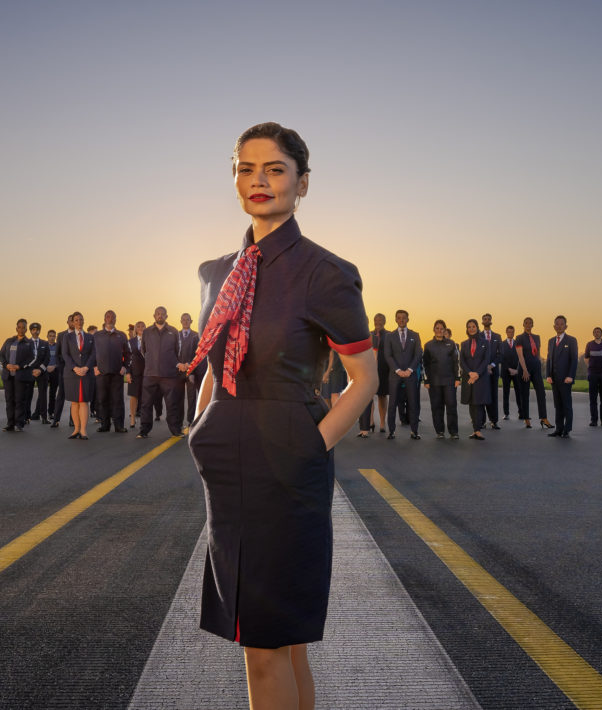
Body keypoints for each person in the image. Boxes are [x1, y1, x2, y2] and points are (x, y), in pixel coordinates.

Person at [183, 123, 377, 709]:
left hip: (286, 459)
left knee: (269, 644)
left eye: (274, 169)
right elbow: (219, 360)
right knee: (278, 642)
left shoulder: (326, 272)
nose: (258, 181)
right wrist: (202, 425)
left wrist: (308, 446)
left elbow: (364, 380)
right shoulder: (214, 272)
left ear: (303, 183)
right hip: (228, 458)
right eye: (246, 169)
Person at [137, 306, 183, 438]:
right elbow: (143, 350)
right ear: (154, 315)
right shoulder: (147, 332)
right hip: (150, 374)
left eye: (162, 314)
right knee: (146, 404)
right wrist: (152, 362)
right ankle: (144, 430)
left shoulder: (173, 331)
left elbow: (176, 351)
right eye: (158, 314)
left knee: (172, 404)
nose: (160, 316)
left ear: (166, 316)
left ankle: (175, 430)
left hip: (168, 374)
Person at [384, 309, 422, 439]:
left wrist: (410, 370)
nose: (401, 320)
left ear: (408, 319)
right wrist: (398, 370)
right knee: (392, 403)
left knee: (413, 403)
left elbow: (418, 354)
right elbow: (388, 355)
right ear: (395, 319)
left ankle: (414, 431)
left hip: (410, 375)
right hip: (395, 375)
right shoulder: (389, 336)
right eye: (399, 318)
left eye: (404, 318)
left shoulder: (415, 335)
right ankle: (391, 431)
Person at [93, 310, 131, 433]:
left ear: (115, 319)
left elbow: (128, 354)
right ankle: (105, 425)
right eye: (108, 316)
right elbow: (92, 353)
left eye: (113, 317)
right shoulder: (97, 335)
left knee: (117, 400)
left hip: (117, 373)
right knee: (102, 399)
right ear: (104, 319)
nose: (110, 319)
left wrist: (125, 367)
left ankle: (119, 425)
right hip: (101, 373)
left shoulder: (121, 335)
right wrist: (94, 366)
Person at [0, 318, 39, 432]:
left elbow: (33, 358)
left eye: (24, 327)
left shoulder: (29, 343)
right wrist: (6, 365)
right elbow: (1, 355)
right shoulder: (9, 341)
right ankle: (10, 424)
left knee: (19, 400)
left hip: (21, 376)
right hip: (8, 375)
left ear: (26, 329)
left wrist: (20, 366)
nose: (21, 329)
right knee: (9, 400)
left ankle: (19, 423)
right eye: (19, 327)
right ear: (16, 328)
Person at [423, 319, 460, 439]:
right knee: (436, 407)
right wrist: (426, 380)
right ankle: (440, 431)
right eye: (437, 328)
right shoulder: (428, 345)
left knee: (451, 406)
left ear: (445, 330)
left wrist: (457, 378)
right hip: (434, 382)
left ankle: (453, 432)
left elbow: (456, 362)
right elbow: (425, 364)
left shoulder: (451, 343)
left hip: (449, 381)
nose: (439, 330)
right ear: (434, 330)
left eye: (441, 328)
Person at [62, 311, 96, 439]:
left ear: (83, 321)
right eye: (76, 320)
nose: (79, 322)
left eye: (81, 319)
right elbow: (65, 354)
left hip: (86, 373)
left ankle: (83, 430)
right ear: (72, 322)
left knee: (84, 402)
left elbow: (94, 354)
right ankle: (76, 429)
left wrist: (86, 367)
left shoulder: (90, 337)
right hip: (72, 373)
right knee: (75, 402)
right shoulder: (67, 337)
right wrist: (75, 368)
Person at [515, 317, 553, 430]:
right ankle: (527, 419)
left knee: (541, 393)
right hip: (524, 368)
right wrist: (525, 370)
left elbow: (538, 353)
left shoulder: (537, 337)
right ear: (523, 324)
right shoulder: (519, 338)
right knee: (525, 394)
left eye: (530, 323)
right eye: (526, 323)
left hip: (536, 367)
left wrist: (540, 365)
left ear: (533, 325)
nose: (528, 325)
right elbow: (520, 355)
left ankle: (544, 418)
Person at [545, 315, 578, 438]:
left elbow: (574, 360)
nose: (559, 326)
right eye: (557, 324)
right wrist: (548, 374)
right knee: (557, 405)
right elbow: (549, 359)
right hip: (554, 379)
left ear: (566, 326)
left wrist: (571, 376)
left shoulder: (571, 340)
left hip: (566, 379)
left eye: (561, 324)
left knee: (566, 405)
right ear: (554, 326)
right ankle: (558, 428)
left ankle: (567, 429)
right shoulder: (551, 341)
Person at [460, 319, 490, 440]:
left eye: (473, 326)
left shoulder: (485, 343)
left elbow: (486, 359)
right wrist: (470, 373)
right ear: (467, 329)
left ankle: (478, 429)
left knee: (478, 404)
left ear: (477, 327)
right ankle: (475, 430)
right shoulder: (464, 344)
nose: (471, 329)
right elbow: (462, 361)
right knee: (471, 404)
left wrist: (477, 373)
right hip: (469, 378)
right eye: (469, 327)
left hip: (480, 378)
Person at [178, 312, 205, 425]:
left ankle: (191, 420)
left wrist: (191, 370)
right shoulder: (175, 335)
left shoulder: (196, 335)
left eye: (187, 319)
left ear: (191, 321)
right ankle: (178, 421)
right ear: (180, 321)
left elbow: (197, 355)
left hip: (191, 371)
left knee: (191, 397)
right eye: (183, 319)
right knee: (178, 398)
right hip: (178, 371)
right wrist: (179, 364)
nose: (185, 321)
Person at [583, 327, 602, 427]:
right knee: (593, 399)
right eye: (595, 332)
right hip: (593, 374)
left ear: (601, 333)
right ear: (593, 334)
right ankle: (594, 421)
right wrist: (590, 367)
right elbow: (586, 359)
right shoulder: (589, 344)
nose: (596, 333)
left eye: (598, 332)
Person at [50, 314, 75, 428]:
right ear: (68, 322)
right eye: (71, 320)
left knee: (74, 397)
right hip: (64, 370)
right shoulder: (61, 335)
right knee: (61, 395)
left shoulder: (79, 335)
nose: (73, 323)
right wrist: (61, 367)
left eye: (75, 321)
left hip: (76, 370)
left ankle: (73, 420)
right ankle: (56, 420)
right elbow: (58, 353)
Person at [481, 313, 502, 429]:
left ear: (491, 321)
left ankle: (494, 421)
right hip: (482, 371)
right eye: (485, 319)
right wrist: (484, 367)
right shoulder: (478, 336)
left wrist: (492, 365)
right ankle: (482, 421)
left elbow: (500, 354)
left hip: (493, 372)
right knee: (482, 395)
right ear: (482, 322)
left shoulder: (497, 337)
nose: (487, 320)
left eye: (489, 319)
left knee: (493, 396)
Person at [27, 322, 51, 424]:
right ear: (31, 331)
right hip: (30, 372)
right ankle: (26, 417)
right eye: (33, 330)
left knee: (43, 395)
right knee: (28, 395)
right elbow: (24, 358)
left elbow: (47, 358)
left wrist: (40, 370)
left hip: (42, 372)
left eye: (37, 330)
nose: (35, 331)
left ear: (40, 331)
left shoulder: (45, 344)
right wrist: (31, 370)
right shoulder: (26, 343)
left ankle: (44, 417)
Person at [371, 313, 390, 432]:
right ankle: (371, 421)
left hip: (384, 370)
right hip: (370, 370)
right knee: (369, 397)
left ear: (385, 321)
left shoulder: (389, 335)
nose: (378, 322)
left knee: (382, 396)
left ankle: (383, 423)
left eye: (381, 320)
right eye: (376, 320)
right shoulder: (368, 334)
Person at [500, 325, 522, 420]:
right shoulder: (502, 344)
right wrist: (509, 369)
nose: (510, 333)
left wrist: (517, 369)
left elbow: (521, 357)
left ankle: (521, 413)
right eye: (509, 332)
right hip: (506, 372)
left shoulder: (518, 343)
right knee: (506, 393)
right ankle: (506, 413)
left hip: (516, 372)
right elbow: (501, 358)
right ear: (506, 332)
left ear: (514, 333)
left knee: (518, 392)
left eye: (512, 332)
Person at [127, 320, 146, 428]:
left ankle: (144, 419)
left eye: (142, 326)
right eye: (138, 326)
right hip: (134, 372)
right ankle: (133, 418)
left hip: (147, 372)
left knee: (145, 397)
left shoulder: (149, 340)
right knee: (134, 396)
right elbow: (128, 358)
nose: (140, 327)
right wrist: (128, 373)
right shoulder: (131, 342)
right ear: (135, 329)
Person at [44, 329, 60, 420]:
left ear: (55, 337)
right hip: (45, 371)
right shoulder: (43, 346)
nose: (52, 337)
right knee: (43, 393)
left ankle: (51, 412)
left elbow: (61, 359)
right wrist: (46, 367)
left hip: (55, 371)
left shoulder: (58, 347)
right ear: (47, 336)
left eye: (54, 336)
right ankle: (40, 413)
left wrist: (54, 366)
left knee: (52, 393)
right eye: (50, 336)